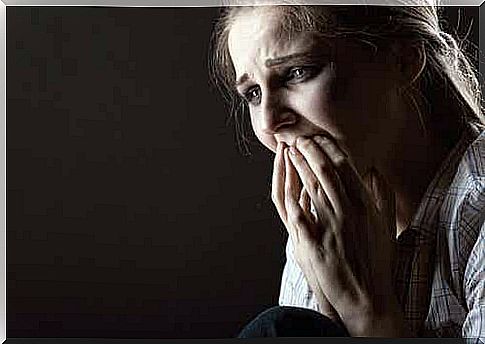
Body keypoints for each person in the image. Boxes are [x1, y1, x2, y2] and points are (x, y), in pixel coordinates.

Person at [209, 0, 485, 339]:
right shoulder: (325, 215)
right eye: (252, 93)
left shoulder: (476, 208)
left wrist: (366, 310)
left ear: (403, 60)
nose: (269, 121)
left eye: (297, 73)